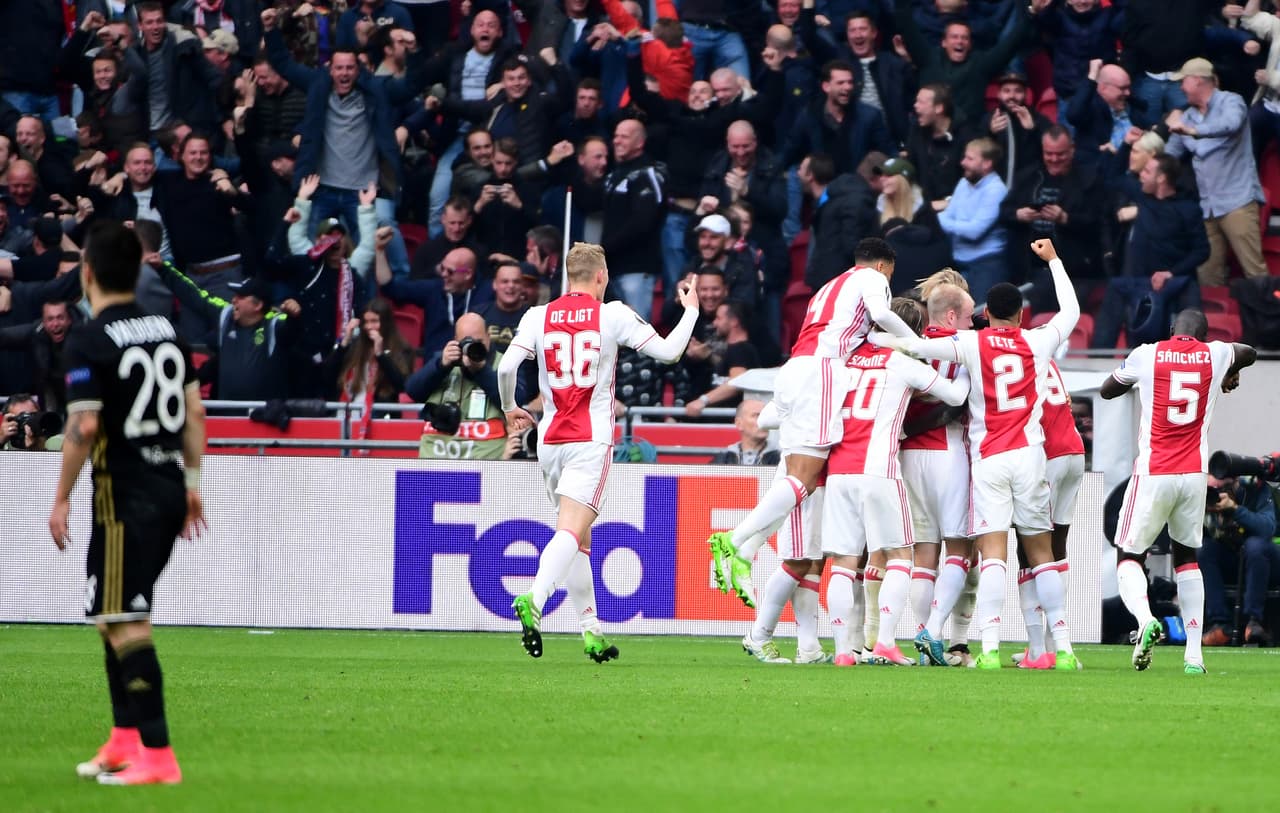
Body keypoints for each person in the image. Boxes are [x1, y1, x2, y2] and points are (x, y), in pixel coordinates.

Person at [49, 219, 207, 785]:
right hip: (167, 490)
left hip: (123, 493)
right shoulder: (167, 330)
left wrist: (61, 497)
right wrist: (191, 484)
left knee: (125, 620)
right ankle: (122, 739)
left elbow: (84, 424)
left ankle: (159, 758)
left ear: (86, 272)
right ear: (140, 270)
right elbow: (195, 413)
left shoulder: (88, 340)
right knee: (109, 614)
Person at [876, 239, 1080, 670]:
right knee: (1042, 555)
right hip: (1029, 455)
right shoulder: (1037, 342)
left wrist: (876, 333)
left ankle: (986, 649)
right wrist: (1055, 262)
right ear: (1021, 313)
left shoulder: (972, 343)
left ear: (987, 311)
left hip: (987, 458)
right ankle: (1062, 649)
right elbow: (1071, 313)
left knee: (992, 555)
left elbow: (919, 348)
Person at [497, 242, 700, 661]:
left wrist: (510, 408)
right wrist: (691, 311)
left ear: (568, 277)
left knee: (578, 539)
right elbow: (669, 352)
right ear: (601, 277)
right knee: (570, 531)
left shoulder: (538, 316)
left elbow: (504, 369)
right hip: (590, 441)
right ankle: (534, 597)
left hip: (550, 442)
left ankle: (591, 630)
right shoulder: (612, 314)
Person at [708, 237, 917, 609]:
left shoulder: (829, 287)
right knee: (805, 479)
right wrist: (916, 344)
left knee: (795, 477)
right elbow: (882, 316)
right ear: (884, 265)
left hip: (794, 370)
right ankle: (736, 538)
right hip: (821, 372)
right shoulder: (873, 279)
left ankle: (746, 549)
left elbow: (864, 332)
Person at [1100, 309, 1257, 674]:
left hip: (1154, 471)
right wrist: (1230, 371)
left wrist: (1133, 378)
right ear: (1202, 337)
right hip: (1192, 475)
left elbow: (1108, 391)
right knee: (1187, 558)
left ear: (1172, 330)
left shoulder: (1148, 353)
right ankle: (1193, 656)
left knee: (1128, 554)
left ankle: (1143, 620)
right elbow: (1247, 350)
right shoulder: (1215, 353)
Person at [826, 296, 969, 665]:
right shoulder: (901, 362)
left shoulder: (845, 363)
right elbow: (955, 395)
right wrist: (970, 365)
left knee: (843, 562)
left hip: (840, 469)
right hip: (880, 470)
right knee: (902, 556)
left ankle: (843, 650)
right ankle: (886, 642)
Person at [900, 273, 976, 665]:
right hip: (948, 450)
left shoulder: (909, 344)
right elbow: (962, 401)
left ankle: (921, 639)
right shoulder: (959, 346)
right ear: (950, 317)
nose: (972, 326)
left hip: (907, 454)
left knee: (923, 553)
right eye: (967, 319)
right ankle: (935, 632)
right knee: (960, 549)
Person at [1009, 355, 1087, 669]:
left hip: (1048, 454)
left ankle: (1038, 649)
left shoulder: (1008, 357)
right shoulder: (1040, 353)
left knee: (1030, 549)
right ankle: (1055, 645)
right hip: (1074, 450)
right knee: (1057, 548)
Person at [1164, 57, 1268, 287]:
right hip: (1207, 208)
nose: (1180, 87)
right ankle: (1214, 322)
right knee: (1208, 275)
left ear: (1198, 81)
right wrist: (1148, 139)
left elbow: (1230, 124)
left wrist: (1191, 130)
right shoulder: (1187, 116)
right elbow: (1169, 155)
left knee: (1255, 272)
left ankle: (1270, 319)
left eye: (1183, 81)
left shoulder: (1231, 101)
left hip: (1237, 202)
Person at [1200, 473, 1279, 647]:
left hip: (1266, 563)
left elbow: (1267, 528)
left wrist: (1235, 510)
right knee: (1205, 549)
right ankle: (1219, 624)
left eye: (1223, 489)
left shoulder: (1256, 489)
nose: (1219, 494)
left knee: (1255, 545)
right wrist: (1203, 513)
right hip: (1234, 563)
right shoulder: (1204, 497)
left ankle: (1254, 622)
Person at [709, 399, 780, 466]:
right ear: (739, 423)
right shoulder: (723, 459)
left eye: (766, 416)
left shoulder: (783, 458)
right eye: (756, 415)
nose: (764, 421)